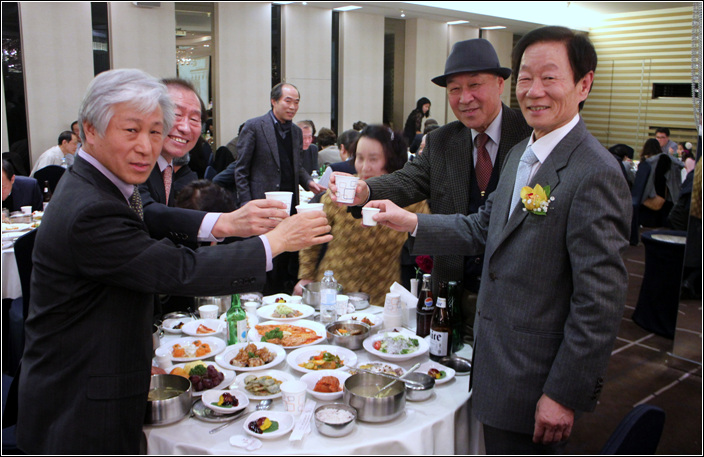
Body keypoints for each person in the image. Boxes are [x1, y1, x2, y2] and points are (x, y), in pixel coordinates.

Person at [15, 69, 332, 455]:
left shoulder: (103, 185)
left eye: (154, 132)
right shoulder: (90, 207)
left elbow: (148, 225)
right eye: (131, 131)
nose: (146, 146)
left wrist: (227, 223)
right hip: (79, 408)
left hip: (97, 374)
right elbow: (179, 270)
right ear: (89, 130)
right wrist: (276, 242)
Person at [358, 26, 631, 454]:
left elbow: (600, 302)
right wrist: (410, 222)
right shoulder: (526, 153)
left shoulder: (594, 172)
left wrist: (564, 393)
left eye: (549, 78)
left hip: (534, 373)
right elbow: (483, 227)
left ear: (584, 84)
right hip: (492, 357)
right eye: (528, 78)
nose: (534, 91)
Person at [330, 38, 531, 344]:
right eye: (454, 89)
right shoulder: (442, 141)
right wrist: (365, 190)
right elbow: (408, 180)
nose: (465, 98)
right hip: (450, 292)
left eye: (474, 85)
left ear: (500, 84)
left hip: (511, 295)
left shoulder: (528, 135)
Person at [294, 125, 428, 306]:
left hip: (381, 296)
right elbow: (313, 235)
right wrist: (306, 276)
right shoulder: (343, 190)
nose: (364, 167)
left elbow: (429, 239)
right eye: (359, 158)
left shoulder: (411, 198)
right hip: (333, 292)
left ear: (391, 159)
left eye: (373, 159)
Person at [234, 82, 325, 294]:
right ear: (273, 101)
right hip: (262, 205)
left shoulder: (296, 132)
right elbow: (241, 170)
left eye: (296, 102)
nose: (293, 107)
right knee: (266, 258)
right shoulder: (254, 126)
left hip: (289, 205)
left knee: (287, 255)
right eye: (288, 101)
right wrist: (247, 205)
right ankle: (264, 297)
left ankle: (284, 297)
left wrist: (308, 182)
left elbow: (296, 166)